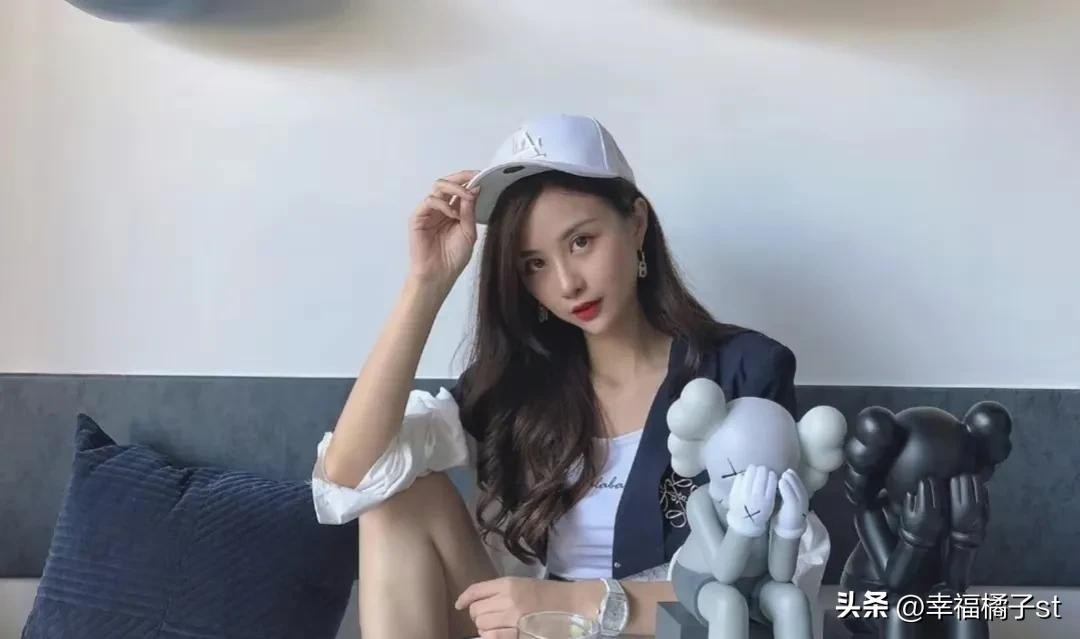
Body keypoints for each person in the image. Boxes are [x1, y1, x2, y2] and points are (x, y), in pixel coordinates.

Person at [312, 114, 801, 639]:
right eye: (535, 264)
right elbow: (351, 475)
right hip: (528, 628)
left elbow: (759, 588)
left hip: (658, 630)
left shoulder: (744, 371)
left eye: (581, 242)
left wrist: (574, 603)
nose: (567, 283)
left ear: (636, 224)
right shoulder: (514, 385)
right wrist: (426, 284)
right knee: (397, 502)